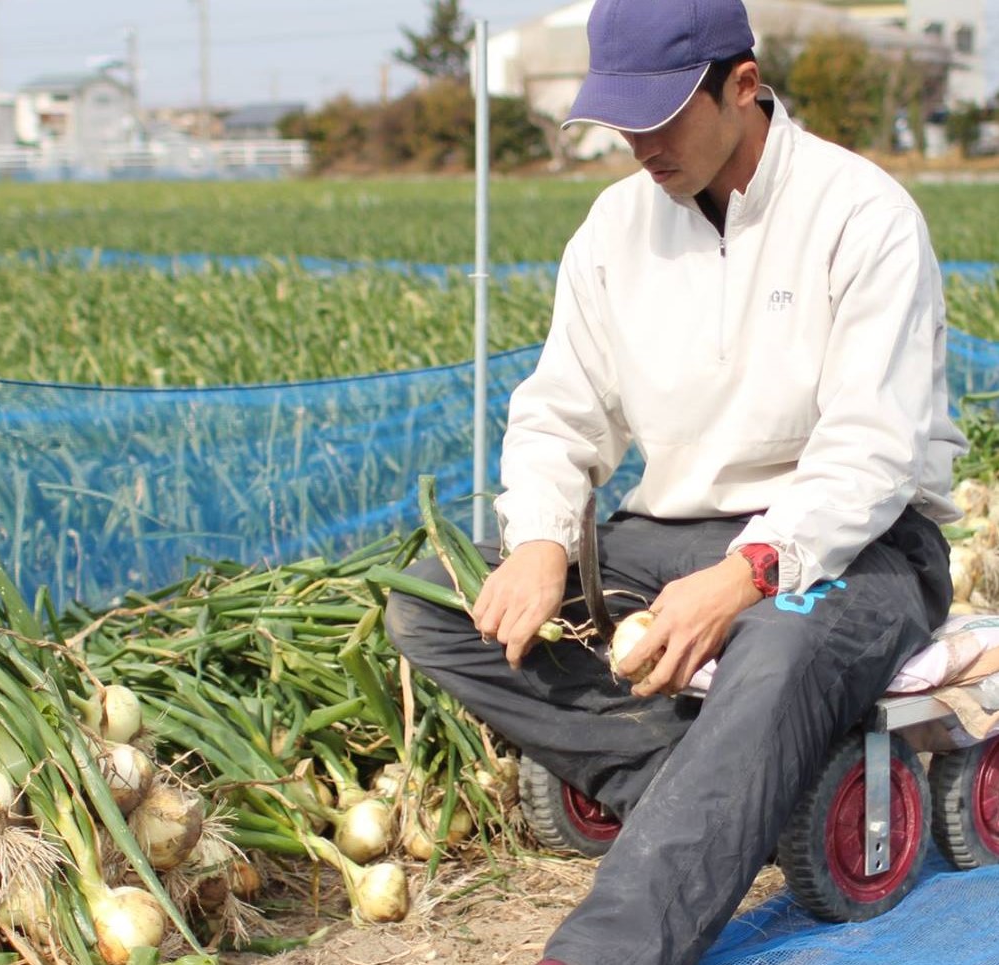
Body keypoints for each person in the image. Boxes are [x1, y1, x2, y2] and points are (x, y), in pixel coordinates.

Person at [383, 1, 967, 964]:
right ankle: (717, 792)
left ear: (743, 85)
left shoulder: (861, 216)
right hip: (674, 531)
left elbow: (871, 449)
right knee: (434, 604)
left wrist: (746, 575)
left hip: (857, 545)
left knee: (778, 645)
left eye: (659, 116)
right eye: (621, 120)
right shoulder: (615, 229)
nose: (639, 144)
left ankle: (609, 946)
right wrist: (540, 538)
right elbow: (560, 412)